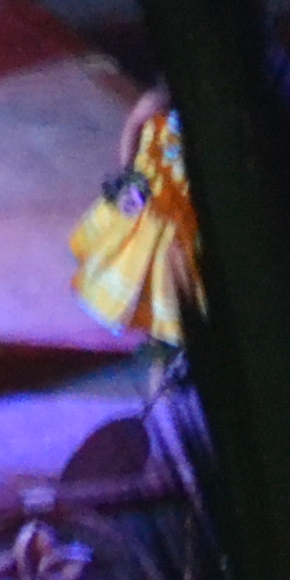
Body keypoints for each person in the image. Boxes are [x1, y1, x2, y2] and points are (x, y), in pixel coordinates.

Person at [69, 82, 200, 383]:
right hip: (156, 206)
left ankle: (170, 350)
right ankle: (162, 353)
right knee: (158, 280)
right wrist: (129, 177)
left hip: (188, 212)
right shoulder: (162, 99)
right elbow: (135, 124)